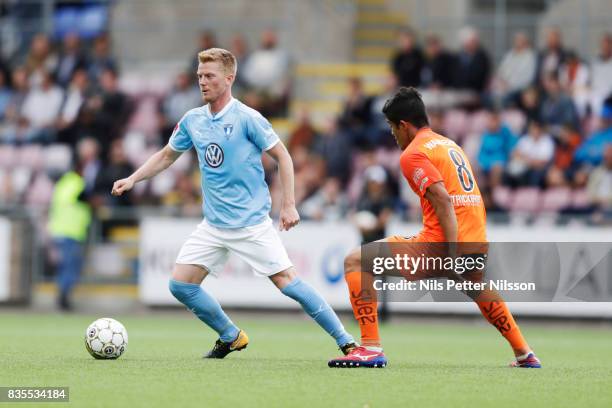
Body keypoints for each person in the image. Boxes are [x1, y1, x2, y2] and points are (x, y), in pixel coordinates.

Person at [111, 48, 355, 359]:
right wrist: (133, 179)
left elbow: (283, 155)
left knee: (288, 283)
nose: (202, 82)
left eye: (209, 76)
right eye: (200, 76)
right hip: (213, 225)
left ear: (229, 79)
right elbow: (166, 156)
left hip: (251, 224)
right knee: (180, 286)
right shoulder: (193, 120)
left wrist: (289, 204)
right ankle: (230, 335)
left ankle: (346, 340)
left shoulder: (248, 118)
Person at [328, 87, 540, 368]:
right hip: (474, 237)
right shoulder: (450, 145)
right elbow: (471, 195)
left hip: (441, 244)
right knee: (477, 287)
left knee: (356, 261)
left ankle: (370, 348)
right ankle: (524, 353)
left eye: (393, 128)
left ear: (404, 125)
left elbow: (442, 197)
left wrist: (451, 252)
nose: (393, 135)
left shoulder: (412, 154)